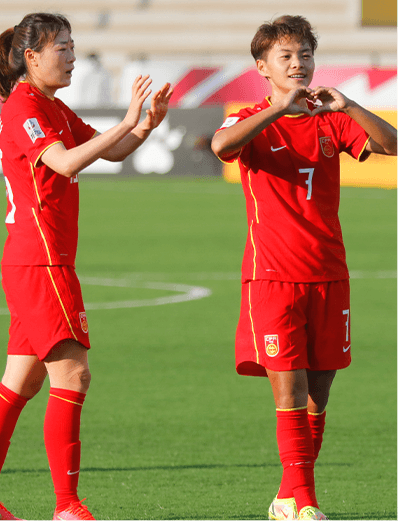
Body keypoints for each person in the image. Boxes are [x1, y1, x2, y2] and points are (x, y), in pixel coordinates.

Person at [0, 12, 173, 521]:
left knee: (21, 383)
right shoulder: (24, 107)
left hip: (38, 260)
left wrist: (144, 124)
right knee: (73, 375)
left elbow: (111, 153)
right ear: (31, 57)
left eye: (73, 47)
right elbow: (65, 161)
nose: (72, 57)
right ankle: (67, 507)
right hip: (41, 261)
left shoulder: (51, 105)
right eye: (63, 48)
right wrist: (127, 120)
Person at [211, 15, 397, 521]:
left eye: (305, 55)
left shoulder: (329, 117)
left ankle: (286, 496)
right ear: (262, 67)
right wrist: (277, 109)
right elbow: (222, 147)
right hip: (272, 276)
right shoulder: (251, 118)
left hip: (329, 274)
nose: (298, 64)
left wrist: (351, 105)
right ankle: (306, 501)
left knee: (318, 395)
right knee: (289, 389)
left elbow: (392, 145)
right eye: (286, 57)